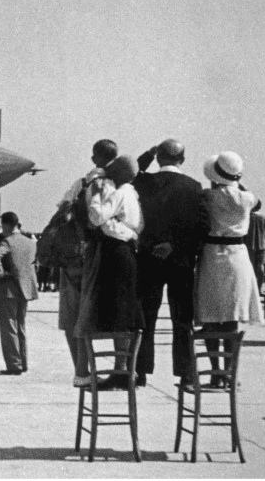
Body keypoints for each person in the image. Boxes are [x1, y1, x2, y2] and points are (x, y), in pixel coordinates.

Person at [131, 139, 205, 387]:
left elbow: (135, 170)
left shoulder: (144, 182)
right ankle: (186, 372)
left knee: (144, 317)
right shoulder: (194, 187)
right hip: (181, 260)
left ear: (159, 157)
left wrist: (148, 153)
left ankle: (139, 371)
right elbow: (200, 226)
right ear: (182, 160)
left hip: (148, 257)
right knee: (182, 318)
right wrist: (174, 245)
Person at [194, 152, 263, 388]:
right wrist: (235, 179)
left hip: (213, 254)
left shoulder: (207, 196)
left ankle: (216, 373)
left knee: (212, 317)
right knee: (232, 318)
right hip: (238, 256)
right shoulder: (247, 198)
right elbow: (256, 201)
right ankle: (231, 373)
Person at [57, 139, 118, 387]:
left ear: (95, 158)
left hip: (77, 257)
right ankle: (121, 369)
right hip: (110, 256)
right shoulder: (120, 185)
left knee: (74, 317)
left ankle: (82, 371)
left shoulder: (81, 184)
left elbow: (62, 211)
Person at [88, 155, 146, 390]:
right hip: (128, 252)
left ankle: (120, 370)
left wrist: (95, 195)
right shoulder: (133, 194)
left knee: (118, 315)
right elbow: (138, 226)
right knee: (124, 313)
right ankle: (124, 368)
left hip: (115, 253)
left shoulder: (119, 192)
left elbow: (97, 217)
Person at [0, 211, 38, 375]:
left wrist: (0, 272)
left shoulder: (7, 241)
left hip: (8, 289)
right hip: (25, 288)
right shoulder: (30, 242)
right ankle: (23, 362)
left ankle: (14, 364)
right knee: (21, 325)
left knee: (9, 326)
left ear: (7, 225)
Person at [245, 201, 265, 295]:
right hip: (262, 245)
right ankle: (259, 289)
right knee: (261, 267)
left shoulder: (247, 217)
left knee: (249, 268)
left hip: (249, 245)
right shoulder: (264, 218)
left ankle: (249, 290)